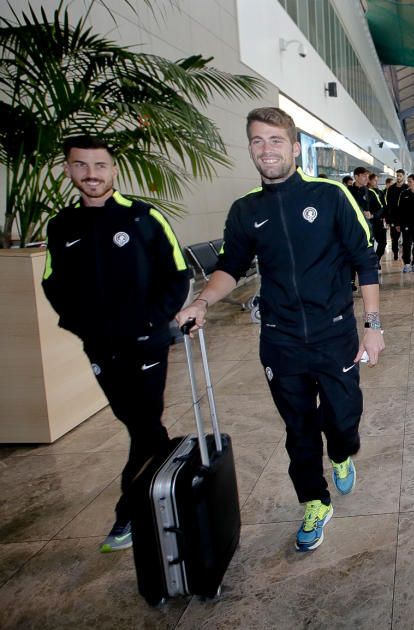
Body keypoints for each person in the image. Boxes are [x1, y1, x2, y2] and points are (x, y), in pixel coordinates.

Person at [175, 107, 385, 552]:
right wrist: (202, 300)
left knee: (343, 421)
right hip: (281, 339)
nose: (266, 149)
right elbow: (230, 267)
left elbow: (365, 261)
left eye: (275, 140)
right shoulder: (247, 210)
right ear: (250, 148)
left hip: (334, 335)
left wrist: (373, 325)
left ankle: (343, 452)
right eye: (257, 141)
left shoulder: (331, 196)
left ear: (294, 147)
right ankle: (314, 500)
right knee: (299, 428)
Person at [41, 135, 191, 554]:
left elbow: (177, 274)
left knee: (144, 420)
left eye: (100, 166)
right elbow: (53, 284)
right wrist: (82, 327)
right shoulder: (61, 226)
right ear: (69, 170)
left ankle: (129, 511)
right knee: (136, 422)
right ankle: (173, 468)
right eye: (81, 166)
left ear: (114, 170)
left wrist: (150, 321)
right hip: (100, 348)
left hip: (147, 343)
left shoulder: (143, 217)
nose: (92, 174)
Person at [367, 175, 388, 264]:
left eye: (377, 180)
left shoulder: (380, 192)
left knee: (383, 243)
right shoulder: (365, 192)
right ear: (369, 181)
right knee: (369, 244)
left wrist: (385, 219)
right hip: (369, 222)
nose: (376, 182)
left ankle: (377, 259)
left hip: (379, 221)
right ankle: (370, 262)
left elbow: (384, 207)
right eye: (374, 180)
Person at [385, 169, 406, 260]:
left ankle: (405, 255)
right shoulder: (391, 188)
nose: (398, 177)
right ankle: (395, 253)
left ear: (403, 176)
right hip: (394, 217)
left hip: (405, 218)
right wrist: (388, 219)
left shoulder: (406, 188)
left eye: (400, 176)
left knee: (406, 239)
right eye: (397, 176)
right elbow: (388, 205)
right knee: (394, 238)